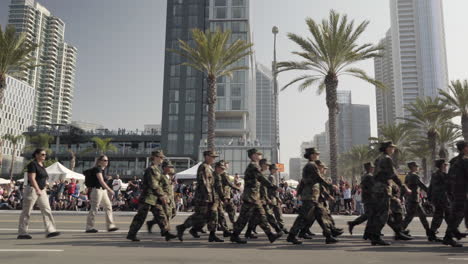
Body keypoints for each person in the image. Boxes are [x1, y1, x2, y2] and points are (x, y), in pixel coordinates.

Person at [230, 149, 282, 244]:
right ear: (254, 155)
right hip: (251, 197)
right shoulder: (254, 166)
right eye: (258, 154)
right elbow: (261, 178)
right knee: (244, 218)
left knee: (261, 215)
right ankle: (235, 235)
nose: (260, 156)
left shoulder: (254, 166)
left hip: (253, 196)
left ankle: (270, 235)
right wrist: (274, 187)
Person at [287, 148, 337, 245]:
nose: (317, 155)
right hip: (309, 196)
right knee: (303, 217)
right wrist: (330, 185)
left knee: (320, 215)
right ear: (311, 155)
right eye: (315, 154)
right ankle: (291, 236)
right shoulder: (311, 165)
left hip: (313, 196)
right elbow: (319, 178)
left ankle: (328, 236)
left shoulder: (311, 165)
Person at [365, 141, 411, 246]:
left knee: (385, 213)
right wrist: (403, 186)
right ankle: (376, 237)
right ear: (387, 148)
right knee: (384, 214)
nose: (393, 149)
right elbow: (393, 175)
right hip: (383, 189)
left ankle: (397, 232)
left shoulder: (379, 158)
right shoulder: (387, 159)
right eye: (392, 147)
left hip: (377, 188)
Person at [127, 151, 176, 242]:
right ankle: (131, 234)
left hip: (154, 198)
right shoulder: (151, 169)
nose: (162, 159)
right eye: (160, 157)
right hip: (147, 197)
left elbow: (159, 184)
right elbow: (153, 184)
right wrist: (161, 195)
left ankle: (166, 233)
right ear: (155, 157)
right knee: (141, 217)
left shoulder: (157, 169)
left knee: (161, 215)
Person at [177, 150, 225, 243]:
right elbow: (204, 183)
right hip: (204, 196)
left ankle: (212, 235)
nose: (213, 159)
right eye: (212, 157)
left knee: (211, 216)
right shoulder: (203, 167)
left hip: (210, 196)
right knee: (200, 216)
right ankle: (182, 227)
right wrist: (208, 196)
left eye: (214, 157)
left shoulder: (208, 167)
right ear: (206, 156)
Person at [18, 149, 60, 239]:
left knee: (47, 209)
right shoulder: (32, 164)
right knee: (27, 211)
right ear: (36, 155)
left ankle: (50, 230)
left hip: (42, 189)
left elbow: (43, 178)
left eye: (45, 155)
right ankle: (22, 232)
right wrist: (37, 189)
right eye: (42, 154)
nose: (44, 156)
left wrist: (46, 185)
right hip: (32, 189)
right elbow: (32, 178)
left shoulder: (42, 165)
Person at [402, 161, 438, 241]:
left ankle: (428, 231)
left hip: (412, 199)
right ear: (413, 167)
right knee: (410, 217)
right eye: (416, 166)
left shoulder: (408, 175)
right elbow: (422, 185)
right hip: (414, 199)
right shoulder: (414, 176)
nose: (418, 167)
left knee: (421, 216)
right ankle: (400, 232)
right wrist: (430, 192)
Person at [443, 141, 468, 247]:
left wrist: (449, 191)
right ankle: (448, 237)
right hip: (462, 192)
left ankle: (451, 235)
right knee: (458, 214)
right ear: (464, 148)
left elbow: (449, 178)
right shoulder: (464, 160)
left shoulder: (454, 160)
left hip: (455, 191)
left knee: (459, 213)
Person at [85, 155, 119, 233]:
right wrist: (109, 189)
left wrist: (106, 178)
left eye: (107, 160)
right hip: (97, 190)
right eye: (104, 160)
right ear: (99, 161)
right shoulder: (98, 169)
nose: (106, 162)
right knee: (94, 208)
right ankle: (89, 227)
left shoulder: (102, 170)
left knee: (108, 206)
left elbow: (102, 180)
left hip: (102, 191)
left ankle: (110, 226)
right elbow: (101, 181)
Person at [348, 162, 374, 237]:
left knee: (370, 215)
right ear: (369, 168)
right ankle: (353, 224)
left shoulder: (365, 176)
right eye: (372, 167)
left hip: (367, 197)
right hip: (369, 198)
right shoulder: (368, 176)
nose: (373, 169)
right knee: (369, 215)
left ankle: (367, 233)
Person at [428, 159, 450, 240]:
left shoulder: (434, 175)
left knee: (439, 216)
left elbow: (430, 187)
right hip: (441, 199)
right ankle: (450, 233)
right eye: (445, 165)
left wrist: (429, 197)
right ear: (441, 165)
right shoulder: (442, 175)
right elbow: (449, 186)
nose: (446, 166)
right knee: (444, 215)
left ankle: (432, 234)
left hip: (437, 199)